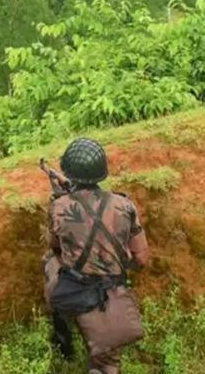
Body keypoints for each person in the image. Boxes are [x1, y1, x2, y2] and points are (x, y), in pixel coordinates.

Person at [42, 138, 151, 374]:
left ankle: (62, 335)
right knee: (107, 364)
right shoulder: (125, 206)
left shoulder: (59, 207)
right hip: (111, 293)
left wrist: (63, 198)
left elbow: (55, 247)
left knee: (49, 262)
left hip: (75, 292)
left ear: (70, 172)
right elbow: (142, 259)